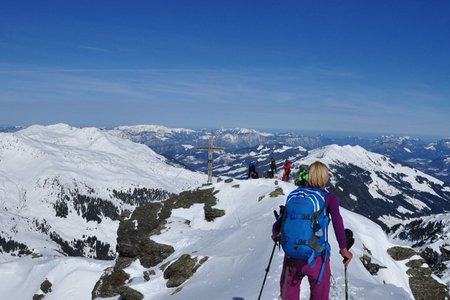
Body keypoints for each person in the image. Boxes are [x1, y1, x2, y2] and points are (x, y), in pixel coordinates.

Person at [272, 161, 353, 300]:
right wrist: (344, 249)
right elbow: (338, 223)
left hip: (292, 256)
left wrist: (276, 235)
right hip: (317, 257)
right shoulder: (329, 198)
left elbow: (279, 224)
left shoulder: (294, 194)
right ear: (325, 177)